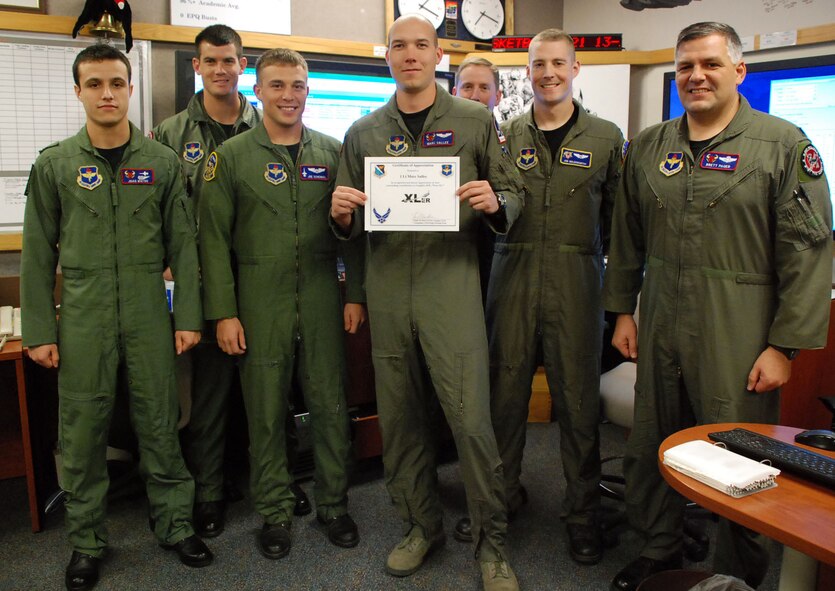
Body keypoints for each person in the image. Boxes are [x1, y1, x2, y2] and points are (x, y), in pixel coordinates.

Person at [603, 22, 832, 591]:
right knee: (654, 437)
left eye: (709, 64)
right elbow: (626, 235)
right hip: (659, 316)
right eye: (684, 66)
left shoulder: (783, 145)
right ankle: (660, 547)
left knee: (741, 458)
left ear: (738, 71)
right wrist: (623, 311)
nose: (695, 76)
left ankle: (736, 574)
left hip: (740, 324)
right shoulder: (652, 145)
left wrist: (785, 346)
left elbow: (808, 252)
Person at [330, 14, 525, 591]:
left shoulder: (472, 120)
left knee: (471, 422)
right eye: (398, 46)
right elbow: (348, 226)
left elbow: (512, 192)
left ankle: (492, 546)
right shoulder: (363, 132)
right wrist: (340, 214)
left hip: (451, 286)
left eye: (420, 45)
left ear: (438, 55)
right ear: (385, 56)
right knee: (401, 418)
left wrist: (496, 201)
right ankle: (421, 526)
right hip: (390, 288)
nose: (409, 54)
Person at [20, 43, 213, 591]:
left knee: (160, 421)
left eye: (116, 84)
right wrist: (39, 329)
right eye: (95, 84)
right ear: (78, 91)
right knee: (81, 432)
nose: (107, 94)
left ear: (131, 89)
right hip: (82, 313)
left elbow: (184, 246)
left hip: (150, 309)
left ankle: (175, 524)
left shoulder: (161, 163)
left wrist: (188, 317)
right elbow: (37, 255)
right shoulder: (55, 164)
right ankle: (86, 542)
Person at [454, 28, 625, 567]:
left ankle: (581, 515)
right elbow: (485, 214)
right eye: (538, 65)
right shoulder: (502, 135)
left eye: (558, 63)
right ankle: (499, 502)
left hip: (578, 282)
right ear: (525, 74)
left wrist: (619, 305)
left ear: (576, 70)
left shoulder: (606, 137)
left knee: (578, 407)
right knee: (503, 402)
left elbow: (620, 227)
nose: (548, 72)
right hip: (512, 275)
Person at [198, 47, 364, 560]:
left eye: (297, 85)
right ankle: (273, 511)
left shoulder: (333, 153)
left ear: (308, 90)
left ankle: (334, 504)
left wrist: (354, 294)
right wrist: (224, 312)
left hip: (319, 296)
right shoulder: (230, 159)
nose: (288, 95)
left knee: (331, 407)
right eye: (277, 85)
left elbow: (355, 234)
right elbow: (212, 243)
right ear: (257, 90)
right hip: (257, 301)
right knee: (266, 413)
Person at [152, 23, 313, 539]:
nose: (221, 69)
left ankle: (280, 481)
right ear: (196, 67)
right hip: (203, 282)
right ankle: (211, 491)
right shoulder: (173, 133)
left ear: (244, 67)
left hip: (263, 278)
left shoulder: (265, 119)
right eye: (210, 61)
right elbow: (162, 208)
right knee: (213, 392)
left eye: (230, 61)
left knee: (277, 387)